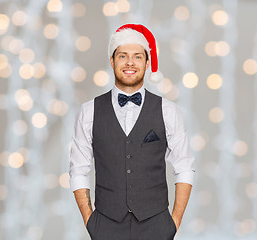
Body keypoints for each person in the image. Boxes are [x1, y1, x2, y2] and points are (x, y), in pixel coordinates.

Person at [69, 24, 195, 240]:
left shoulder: (168, 110)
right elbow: (78, 170)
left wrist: (173, 223)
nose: (129, 63)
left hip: (156, 225)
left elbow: (184, 167)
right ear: (112, 61)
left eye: (137, 57)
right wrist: (90, 221)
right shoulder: (89, 111)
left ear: (147, 63)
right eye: (122, 56)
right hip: (105, 225)